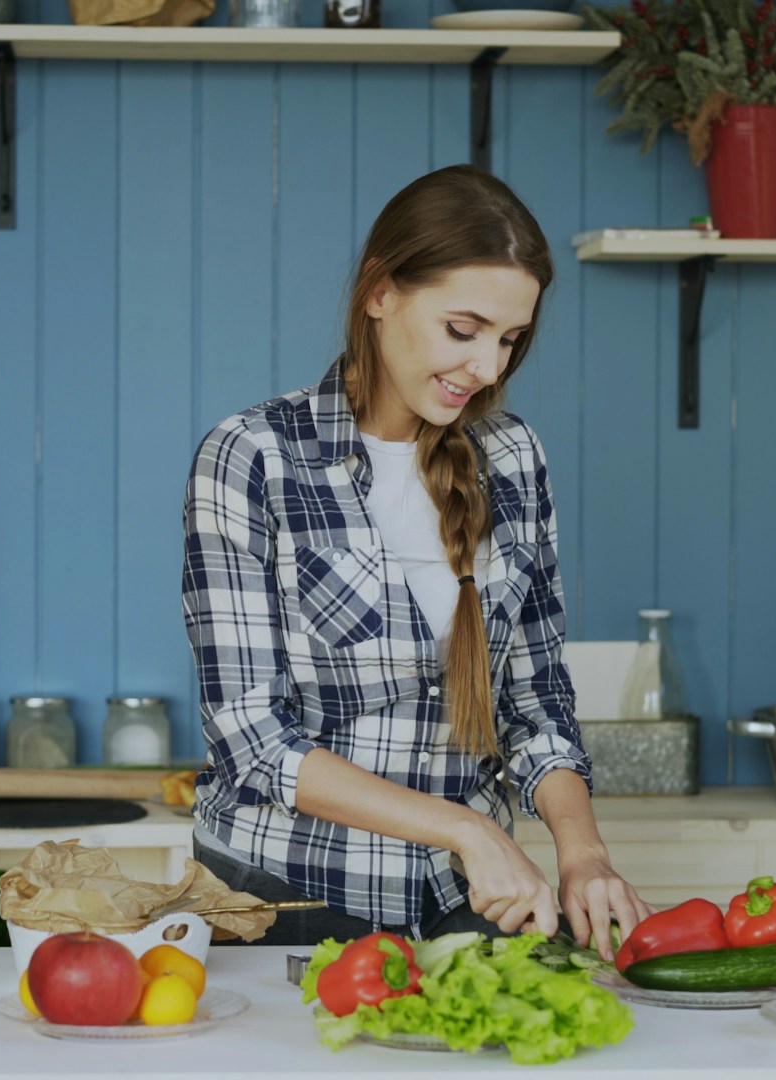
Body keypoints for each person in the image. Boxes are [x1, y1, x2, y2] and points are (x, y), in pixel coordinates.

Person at [180, 165, 649, 958]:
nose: (489, 369)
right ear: (380, 292)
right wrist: (469, 830)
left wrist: (582, 851)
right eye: (463, 330)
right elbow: (252, 736)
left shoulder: (511, 455)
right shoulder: (254, 457)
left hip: (467, 903)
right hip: (285, 901)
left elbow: (533, 695)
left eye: (510, 340)